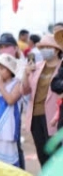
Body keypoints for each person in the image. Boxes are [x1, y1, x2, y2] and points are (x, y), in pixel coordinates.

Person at [26, 33, 63, 168]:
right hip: (36, 116)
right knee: (42, 155)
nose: (44, 50)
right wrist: (26, 73)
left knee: (56, 154)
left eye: (48, 46)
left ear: (57, 49)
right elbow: (24, 90)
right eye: (42, 47)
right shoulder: (37, 66)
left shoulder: (61, 67)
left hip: (54, 117)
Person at [0, 52, 24, 166]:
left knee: (8, 160)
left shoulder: (17, 84)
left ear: (10, 70)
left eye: (2, 68)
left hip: (7, 128)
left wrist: (1, 86)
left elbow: (11, 100)